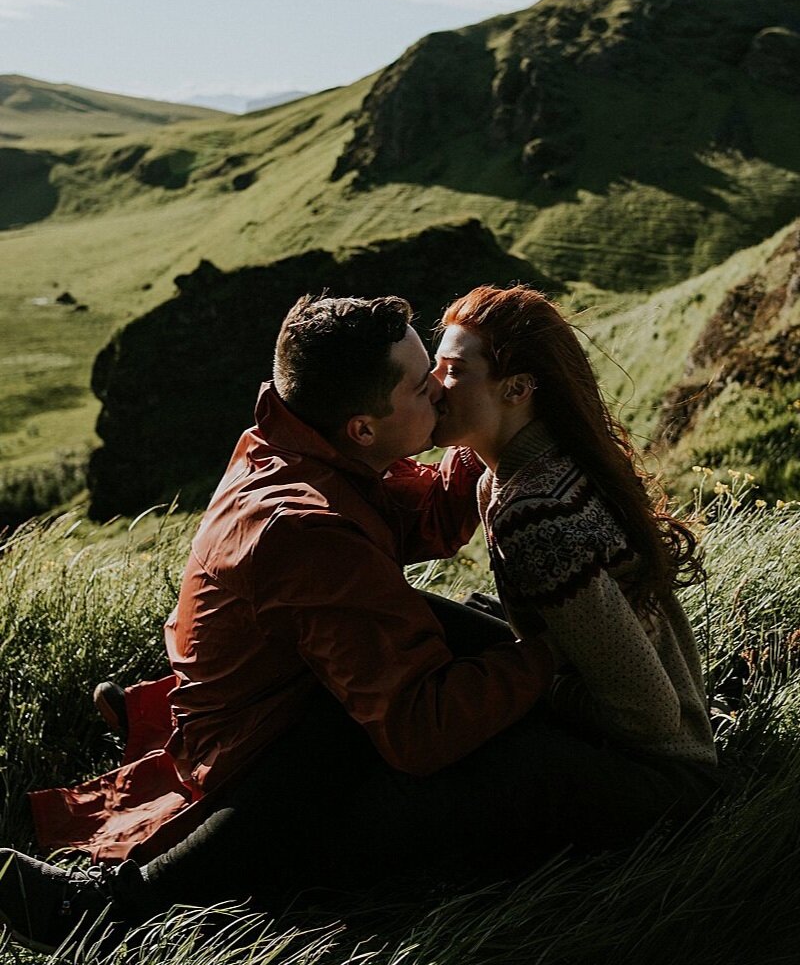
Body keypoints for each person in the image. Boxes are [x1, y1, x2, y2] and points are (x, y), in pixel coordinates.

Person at [0, 290, 717, 955]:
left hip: (292, 685)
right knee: (360, 738)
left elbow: (429, 513)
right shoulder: (307, 528)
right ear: (364, 426)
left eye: (441, 369)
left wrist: (501, 429)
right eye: (420, 381)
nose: (437, 387)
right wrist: (548, 655)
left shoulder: (308, 445)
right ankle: (111, 911)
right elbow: (418, 730)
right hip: (267, 742)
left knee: (449, 626)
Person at [431, 283, 717, 769]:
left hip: (661, 769)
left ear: (517, 389)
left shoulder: (536, 511)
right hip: (667, 738)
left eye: (454, 370)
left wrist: (531, 684)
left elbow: (649, 715)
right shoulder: (525, 471)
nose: (433, 383)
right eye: (435, 365)